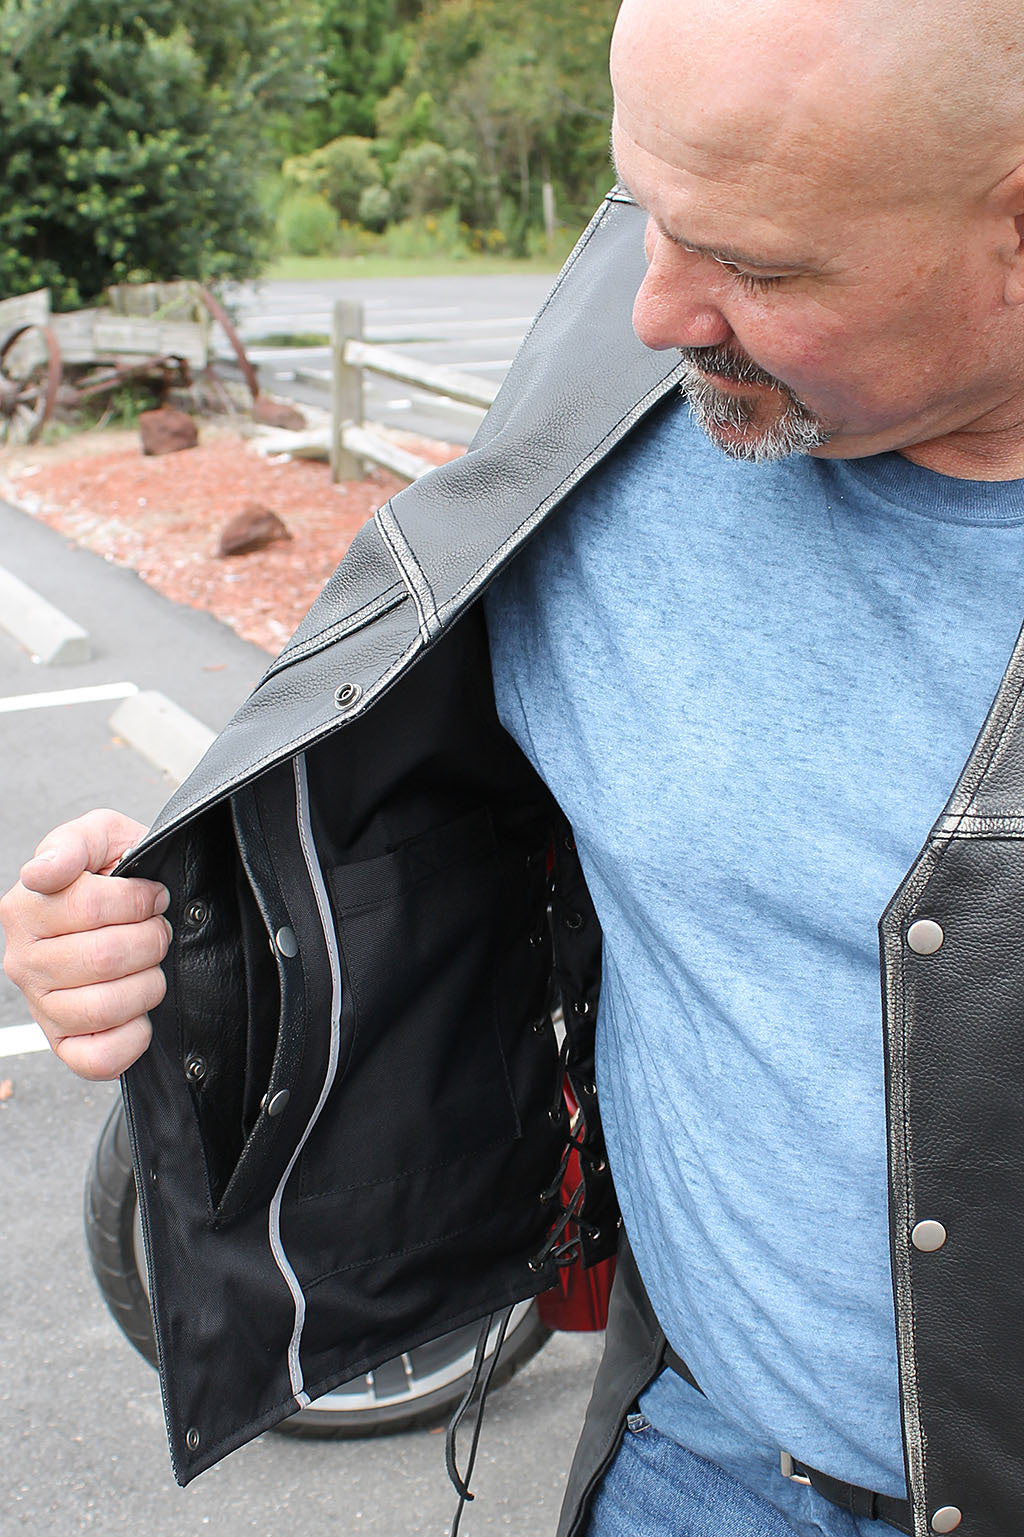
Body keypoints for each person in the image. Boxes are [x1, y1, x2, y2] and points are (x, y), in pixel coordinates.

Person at [4, 1, 1024, 1534]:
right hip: (690, 1455)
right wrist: (171, 915)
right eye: (640, 212)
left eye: (754, 265)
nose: (651, 309)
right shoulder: (632, 361)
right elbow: (426, 758)